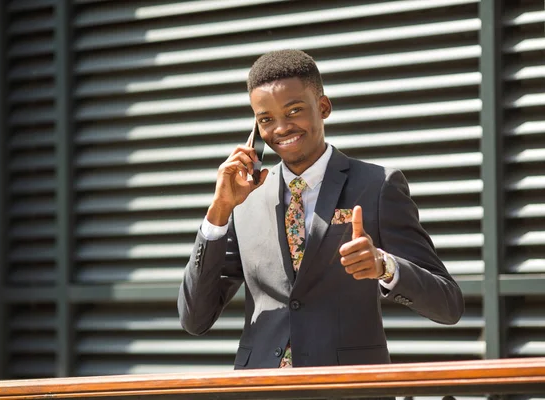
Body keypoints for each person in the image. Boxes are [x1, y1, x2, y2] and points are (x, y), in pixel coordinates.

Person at [178, 49, 464, 371]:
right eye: (266, 119)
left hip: (347, 389)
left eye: (294, 110)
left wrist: (384, 266)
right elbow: (195, 319)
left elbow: (448, 304)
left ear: (323, 107)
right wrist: (218, 211)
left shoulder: (378, 186)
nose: (282, 128)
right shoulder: (245, 200)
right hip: (263, 390)